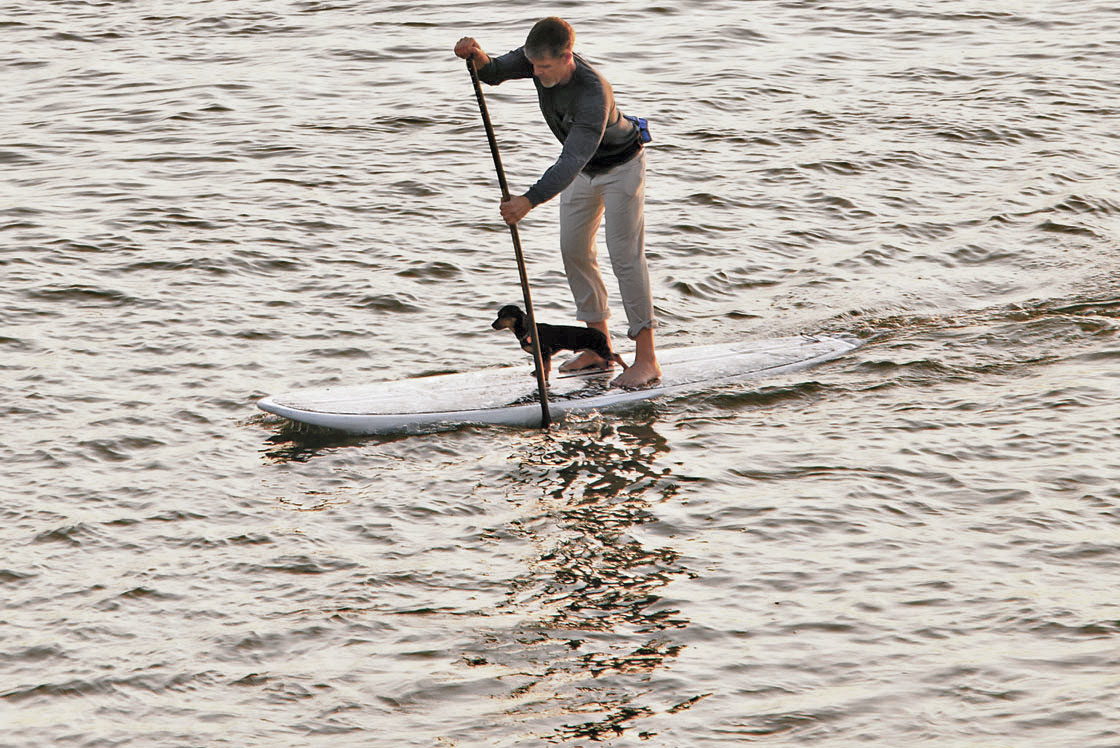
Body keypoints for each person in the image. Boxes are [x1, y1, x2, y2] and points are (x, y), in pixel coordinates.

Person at [454, 17, 661, 388]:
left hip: (620, 167)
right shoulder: (536, 58)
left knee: (624, 256)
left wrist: (529, 200)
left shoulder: (592, 94)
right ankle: (599, 348)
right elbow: (494, 73)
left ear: (568, 57)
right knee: (574, 250)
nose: (537, 73)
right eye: (533, 65)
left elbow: (571, 160)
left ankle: (647, 361)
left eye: (546, 67)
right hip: (583, 172)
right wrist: (478, 56)